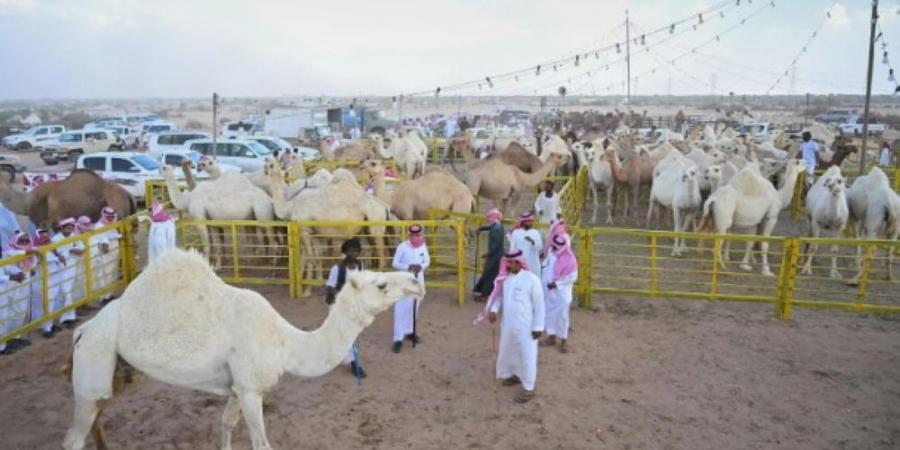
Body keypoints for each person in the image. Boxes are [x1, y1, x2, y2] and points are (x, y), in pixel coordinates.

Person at [486, 250, 545, 404]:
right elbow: (499, 297)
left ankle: (529, 388)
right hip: (508, 325)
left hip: (527, 326)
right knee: (509, 351)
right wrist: (493, 310)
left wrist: (538, 326)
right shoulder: (505, 279)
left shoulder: (532, 280)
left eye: (510, 263)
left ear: (519, 262)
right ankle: (514, 375)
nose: (507, 265)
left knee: (527, 356)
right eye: (506, 262)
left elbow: (539, 305)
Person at [324, 237, 367, 378]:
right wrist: (331, 294)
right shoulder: (337, 268)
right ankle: (354, 364)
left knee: (347, 334)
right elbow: (330, 286)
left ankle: (342, 358)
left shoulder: (360, 266)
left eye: (356, 250)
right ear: (345, 251)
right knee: (346, 335)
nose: (353, 253)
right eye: (350, 250)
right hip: (339, 306)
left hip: (354, 305)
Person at [391, 224, 430, 353]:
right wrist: (408, 266)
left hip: (418, 282)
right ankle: (398, 338)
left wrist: (421, 267)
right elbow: (395, 263)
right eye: (413, 235)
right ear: (409, 235)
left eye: (418, 235)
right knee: (401, 308)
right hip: (404, 282)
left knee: (414, 307)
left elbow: (427, 261)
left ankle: (410, 332)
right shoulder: (402, 247)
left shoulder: (423, 246)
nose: (415, 238)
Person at [541, 234, 579, 353]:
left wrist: (556, 284)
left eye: (556, 247)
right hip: (549, 291)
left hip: (562, 294)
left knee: (562, 317)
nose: (553, 248)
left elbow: (572, 277)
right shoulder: (552, 254)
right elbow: (545, 268)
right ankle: (551, 337)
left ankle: (564, 340)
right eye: (553, 246)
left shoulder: (570, 260)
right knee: (549, 315)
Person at [51, 217, 83, 328]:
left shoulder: (74, 237)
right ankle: (68, 318)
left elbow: (81, 248)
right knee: (65, 292)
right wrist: (70, 250)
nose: (69, 231)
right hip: (61, 270)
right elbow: (58, 254)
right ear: (62, 228)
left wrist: (73, 250)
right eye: (67, 228)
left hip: (72, 268)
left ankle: (69, 317)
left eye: (71, 228)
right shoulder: (55, 239)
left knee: (68, 292)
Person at [473, 209, 505, 302]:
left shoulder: (496, 229)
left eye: (489, 217)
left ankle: (485, 295)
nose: (488, 220)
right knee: (492, 274)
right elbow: (490, 227)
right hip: (497, 255)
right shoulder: (498, 225)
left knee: (488, 274)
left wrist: (488, 254)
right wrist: (482, 228)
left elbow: (496, 244)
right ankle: (489, 294)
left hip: (495, 256)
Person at [95, 207, 121, 302]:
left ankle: (109, 294)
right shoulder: (99, 226)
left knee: (112, 273)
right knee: (105, 274)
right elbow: (101, 240)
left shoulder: (113, 224)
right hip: (106, 254)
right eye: (108, 217)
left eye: (112, 217)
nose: (110, 219)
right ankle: (104, 297)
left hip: (114, 252)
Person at [508, 212, 542, 277]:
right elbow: (512, 248)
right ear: (523, 222)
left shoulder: (535, 232)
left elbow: (540, 247)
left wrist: (532, 241)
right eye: (529, 221)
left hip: (533, 263)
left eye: (532, 221)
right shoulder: (516, 233)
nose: (532, 223)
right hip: (520, 263)